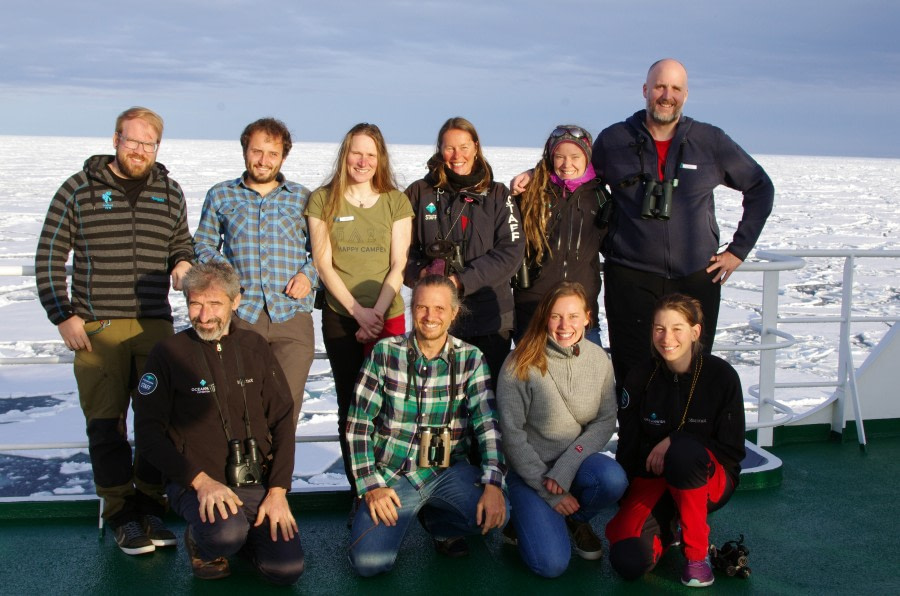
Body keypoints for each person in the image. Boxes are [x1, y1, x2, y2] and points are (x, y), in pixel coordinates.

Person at [512, 59, 774, 386]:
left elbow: (760, 186)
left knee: (691, 369)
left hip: (694, 277)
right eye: (660, 87)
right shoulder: (616, 140)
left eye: (675, 88)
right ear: (645, 90)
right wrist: (536, 175)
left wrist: (739, 249)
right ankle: (635, 439)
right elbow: (571, 164)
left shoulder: (710, 141)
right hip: (630, 278)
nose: (667, 95)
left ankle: (686, 438)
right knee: (632, 370)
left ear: (686, 95)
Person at [34, 106, 192, 555]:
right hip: (96, 328)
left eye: (149, 143)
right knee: (106, 424)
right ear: (115, 140)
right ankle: (120, 511)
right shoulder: (78, 189)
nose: (139, 150)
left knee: (156, 421)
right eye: (132, 140)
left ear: (157, 147)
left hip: (153, 326)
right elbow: (50, 255)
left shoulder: (170, 190)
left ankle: (150, 506)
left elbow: (181, 242)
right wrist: (62, 314)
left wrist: (182, 262)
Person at [133, 262, 304, 584]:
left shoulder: (255, 347)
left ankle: (240, 536)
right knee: (225, 534)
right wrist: (199, 482)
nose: (204, 315)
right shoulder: (168, 353)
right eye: (195, 304)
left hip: (254, 482)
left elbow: (282, 418)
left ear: (235, 301)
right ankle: (205, 541)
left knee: (286, 570)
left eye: (215, 304)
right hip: (197, 482)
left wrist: (278, 490)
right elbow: (147, 434)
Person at [346, 274, 509, 577]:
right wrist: (370, 486)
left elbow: (487, 424)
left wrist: (493, 483)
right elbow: (358, 424)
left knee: (498, 511)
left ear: (454, 312)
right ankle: (372, 509)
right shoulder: (384, 353)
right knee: (369, 564)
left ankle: (438, 524)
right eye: (421, 308)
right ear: (412, 310)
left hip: (446, 472)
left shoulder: (471, 359)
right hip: (393, 476)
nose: (430, 316)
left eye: (439, 309)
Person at [605, 293, 745, 588]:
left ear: (695, 332)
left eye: (677, 328)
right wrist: (631, 507)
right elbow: (629, 444)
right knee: (627, 561)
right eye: (659, 328)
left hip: (709, 481)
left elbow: (732, 451)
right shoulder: (641, 376)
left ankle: (696, 557)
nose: (666, 338)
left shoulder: (722, 377)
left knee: (683, 454)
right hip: (654, 480)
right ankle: (669, 529)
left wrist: (675, 440)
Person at [306, 123, 413, 496]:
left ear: (379, 158)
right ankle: (361, 491)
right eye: (356, 152)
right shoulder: (323, 199)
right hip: (341, 316)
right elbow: (323, 263)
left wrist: (376, 314)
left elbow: (399, 263)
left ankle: (393, 484)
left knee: (390, 403)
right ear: (345, 155)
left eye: (370, 154)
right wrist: (357, 312)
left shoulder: (396, 201)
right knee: (353, 404)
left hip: (388, 315)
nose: (363, 161)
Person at [497, 281, 627, 577]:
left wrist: (568, 465)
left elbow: (605, 420)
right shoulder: (519, 363)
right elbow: (512, 438)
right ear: (545, 317)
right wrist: (552, 493)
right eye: (556, 316)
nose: (564, 325)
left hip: (576, 463)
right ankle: (529, 516)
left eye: (572, 316)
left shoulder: (599, 360)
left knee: (612, 479)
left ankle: (574, 518)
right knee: (551, 564)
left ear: (587, 318)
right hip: (531, 472)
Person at [193, 117, 316, 426]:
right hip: (242, 316)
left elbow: (323, 251)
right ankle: (245, 473)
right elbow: (204, 243)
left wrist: (308, 275)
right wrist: (227, 278)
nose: (263, 161)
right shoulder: (221, 195)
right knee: (240, 408)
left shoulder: (303, 198)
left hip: (292, 315)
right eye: (257, 151)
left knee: (285, 410)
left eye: (272, 154)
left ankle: (277, 475)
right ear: (245, 151)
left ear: (283, 156)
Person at [405, 117, 524, 388]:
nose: (457, 156)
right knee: (436, 402)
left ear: (476, 146)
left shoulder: (497, 194)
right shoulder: (419, 193)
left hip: (491, 319)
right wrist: (420, 273)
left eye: (464, 147)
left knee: (486, 403)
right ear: (439, 149)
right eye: (449, 148)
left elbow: (511, 250)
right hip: (434, 320)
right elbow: (401, 249)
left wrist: (461, 281)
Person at [512, 125, 611, 345]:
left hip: (580, 307)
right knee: (531, 377)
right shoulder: (531, 192)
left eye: (575, 157)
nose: (567, 165)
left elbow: (614, 244)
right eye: (559, 157)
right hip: (533, 307)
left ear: (587, 157)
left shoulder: (599, 197)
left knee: (586, 375)